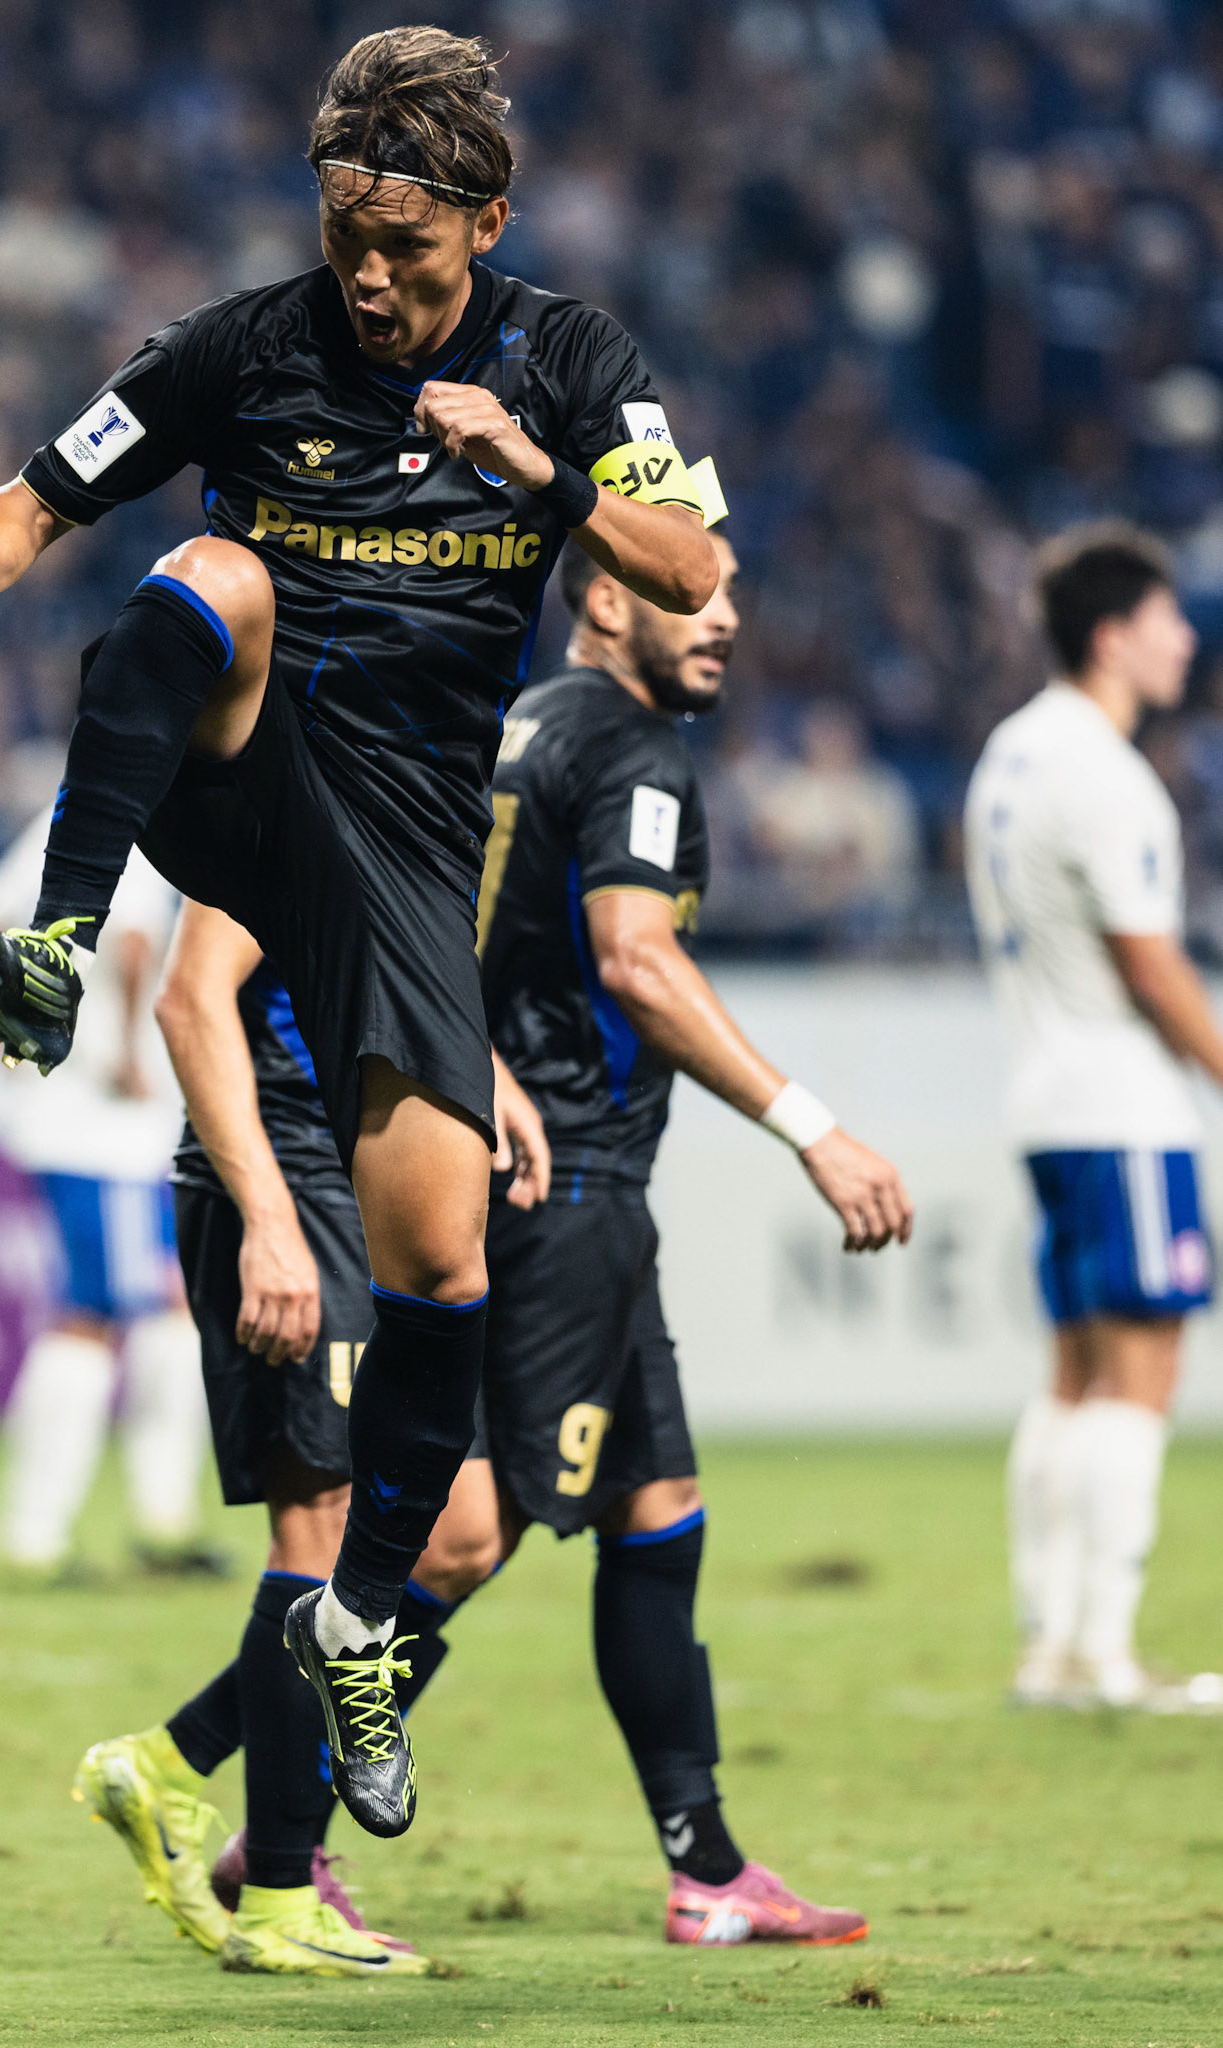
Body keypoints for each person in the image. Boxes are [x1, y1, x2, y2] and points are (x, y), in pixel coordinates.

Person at [0, 26, 720, 1838]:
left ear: (484, 222)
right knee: (205, 576)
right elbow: (40, 487)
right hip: (259, 786)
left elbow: (690, 574)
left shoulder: (569, 364)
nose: (366, 275)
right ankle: (51, 938)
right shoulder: (241, 347)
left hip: (419, 856)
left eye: (406, 250)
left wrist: (535, 475)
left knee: (438, 1278)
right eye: (346, 235)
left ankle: (356, 1626)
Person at [400, 532, 912, 1947]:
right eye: (694, 591)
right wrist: (812, 1125)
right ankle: (254, 1804)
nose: (727, 618)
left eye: (736, 589)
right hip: (564, 1191)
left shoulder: (519, 727)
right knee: (465, 1538)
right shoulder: (627, 748)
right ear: (608, 598)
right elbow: (636, 957)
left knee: (655, 1507)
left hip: (550, 1175)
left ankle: (706, 1869)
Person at [72, 899, 546, 1976]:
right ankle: (283, 1889)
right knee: (321, 1519)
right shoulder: (292, 788)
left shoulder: (404, 792)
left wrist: (480, 1075)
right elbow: (190, 998)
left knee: (460, 1530)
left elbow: (391, 966)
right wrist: (272, 1222)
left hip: (362, 1170)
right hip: (285, 1182)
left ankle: (170, 1758)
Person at [965, 522, 1223, 1713]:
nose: (1188, 640)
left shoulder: (1013, 752)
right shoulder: (1107, 775)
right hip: (1122, 1105)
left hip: (1042, 1095)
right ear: (1115, 635)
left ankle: (1050, 1642)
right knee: (1140, 1369)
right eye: (1171, 620)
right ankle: (1104, 1652)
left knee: (1073, 1372)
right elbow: (1152, 966)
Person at [0, 809, 220, 1584]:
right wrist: (116, 1049)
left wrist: (17, 1029)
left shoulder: (68, 807)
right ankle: (37, 1535)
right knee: (97, 1316)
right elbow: (139, 937)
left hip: (97, 1123)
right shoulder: (147, 801)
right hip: (110, 1128)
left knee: (163, 1315)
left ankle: (159, 1519)